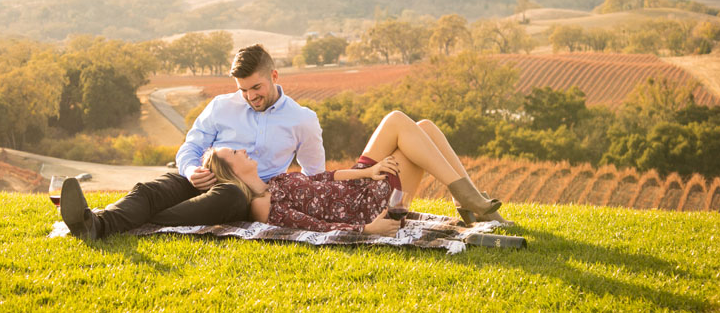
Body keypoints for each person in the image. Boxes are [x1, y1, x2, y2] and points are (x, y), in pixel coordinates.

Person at [59, 43, 325, 239]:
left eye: (257, 88)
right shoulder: (221, 106)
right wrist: (190, 171)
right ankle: (95, 225)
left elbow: (315, 176)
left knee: (230, 196)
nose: (249, 96)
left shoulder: (302, 120)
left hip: (244, 195)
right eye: (242, 90)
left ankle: (142, 219)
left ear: (274, 77)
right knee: (150, 190)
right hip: (203, 179)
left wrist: (280, 201)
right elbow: (191, 146)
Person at [202, 110, 508, 235]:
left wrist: (370, 170)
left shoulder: (276, 180)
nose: (241, 150)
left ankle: (467, 200)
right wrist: (367, 230)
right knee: (403, 122)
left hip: (363, 185)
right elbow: (312, 228)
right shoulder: (260, 205)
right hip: (372, 208)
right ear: (230, 172)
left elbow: (325, 177)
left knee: (423, 126)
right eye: (233, 152)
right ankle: (467, 199)